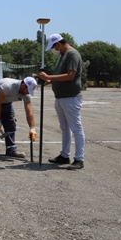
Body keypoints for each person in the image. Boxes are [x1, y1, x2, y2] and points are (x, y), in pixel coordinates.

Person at [38, 33, 86, 170]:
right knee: (64, 128)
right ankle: (64, 155)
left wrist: (49, 76)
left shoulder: (72, 54)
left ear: (58, 44)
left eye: (53, 48)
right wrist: (49, 80)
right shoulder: (62, 56)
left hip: (70, 97)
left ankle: (79, 159)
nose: (54, 51)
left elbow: (70, 76)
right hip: (60, 97)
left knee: (76, 128)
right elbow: (60, 75)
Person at [0, 77, 38, 158]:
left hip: (7, 102)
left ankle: (11, 149)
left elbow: (29, 111)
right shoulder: (7, 86)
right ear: (23, 85)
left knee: (10, 123)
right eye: (28, 90)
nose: (28, 93)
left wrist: (32, 128)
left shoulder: (26, 94)